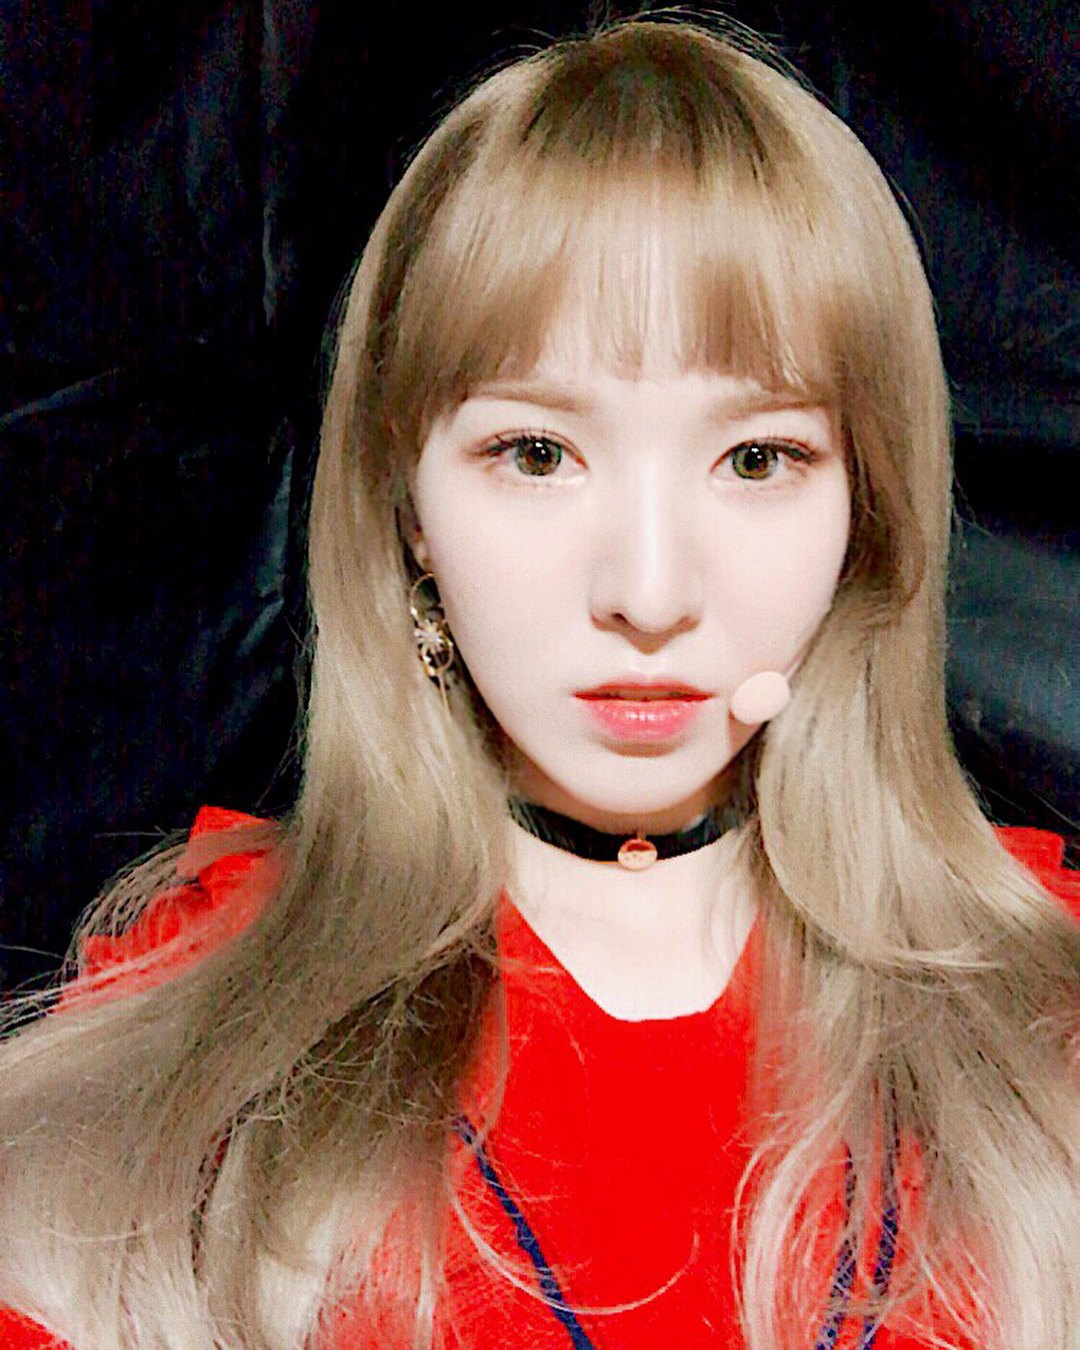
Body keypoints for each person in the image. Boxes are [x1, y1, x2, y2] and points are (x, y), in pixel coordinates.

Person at [0, 13, 1076, 1350]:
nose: (649, 592)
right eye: (537, 454)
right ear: (409, 509)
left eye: (755, 459)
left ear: (868, 509)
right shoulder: (184, 1050)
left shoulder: (1050, 1030)